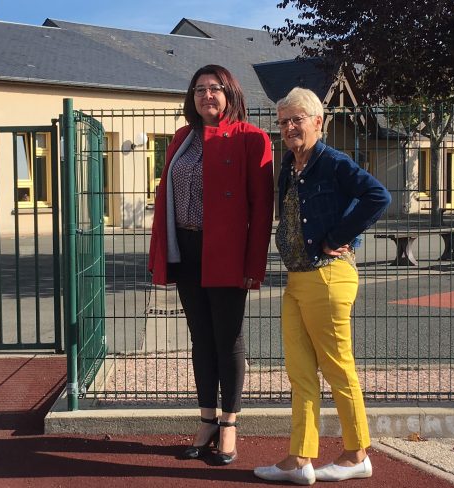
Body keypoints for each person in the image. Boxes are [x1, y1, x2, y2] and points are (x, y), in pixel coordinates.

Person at [253, 87, 391, 485]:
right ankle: (299, 459)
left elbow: (377, 196)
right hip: (298, 278)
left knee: (337, 367)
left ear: (318, 121)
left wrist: (339, 236)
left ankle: (357, 454)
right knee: (300, 372)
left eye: (296, 120)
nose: (289, 128)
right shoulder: (289, 165)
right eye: (283, 122)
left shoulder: (333, 162)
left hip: (328, 275)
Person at [148, 65, 274, 465]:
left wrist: (254, 264)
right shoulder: (182, 138)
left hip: (226, 251)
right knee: (200, 338)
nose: (206, 95)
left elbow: (262, 209)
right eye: (199, 89)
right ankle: (206, 419)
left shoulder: (252, 138)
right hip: (185, 248)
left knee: (228, 338)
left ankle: (230, 423)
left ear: (230, 93)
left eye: (214, 88)